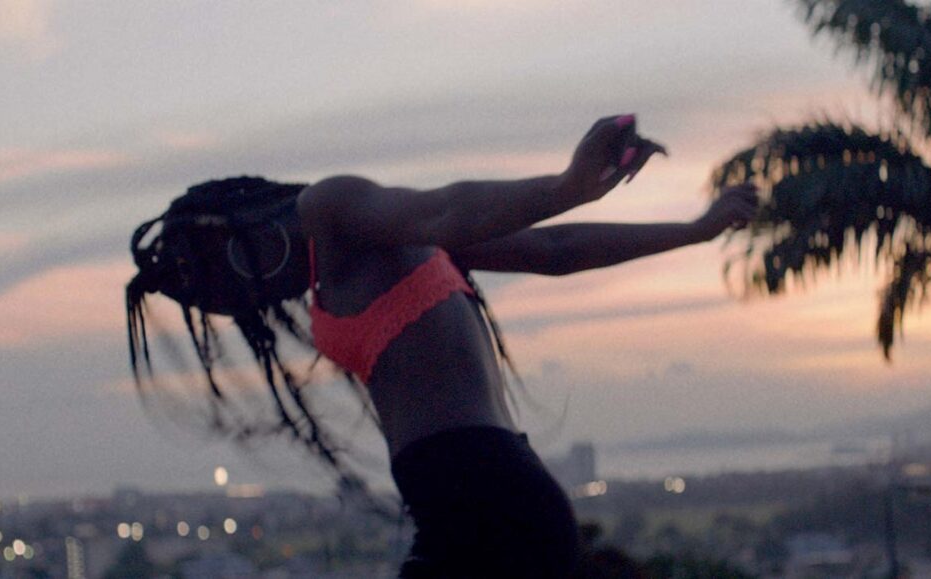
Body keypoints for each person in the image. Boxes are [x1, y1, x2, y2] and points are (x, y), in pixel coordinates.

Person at [125, 114, 758, 577]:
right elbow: (554, 251)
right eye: (224, 302)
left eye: (228, 275)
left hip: (486, 505)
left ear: (239, 226)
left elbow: (453, 212)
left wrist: (572, 189)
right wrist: (694, 231)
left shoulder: (330, 209)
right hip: (485, 506)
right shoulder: (354, 261)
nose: (243, 298)